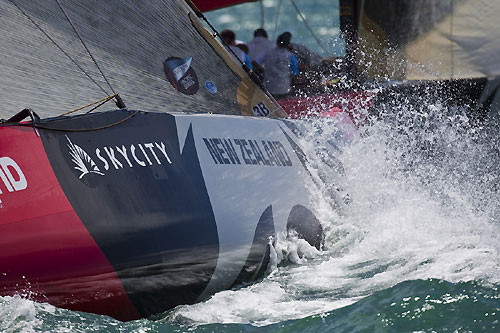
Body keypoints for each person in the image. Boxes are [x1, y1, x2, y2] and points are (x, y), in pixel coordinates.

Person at [259, 32, 299, 97]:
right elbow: (295, 74)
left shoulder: (268, 53)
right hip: (284, 90)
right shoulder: (290, 56)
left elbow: (255, 63)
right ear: (288, 44)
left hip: (268, 88)